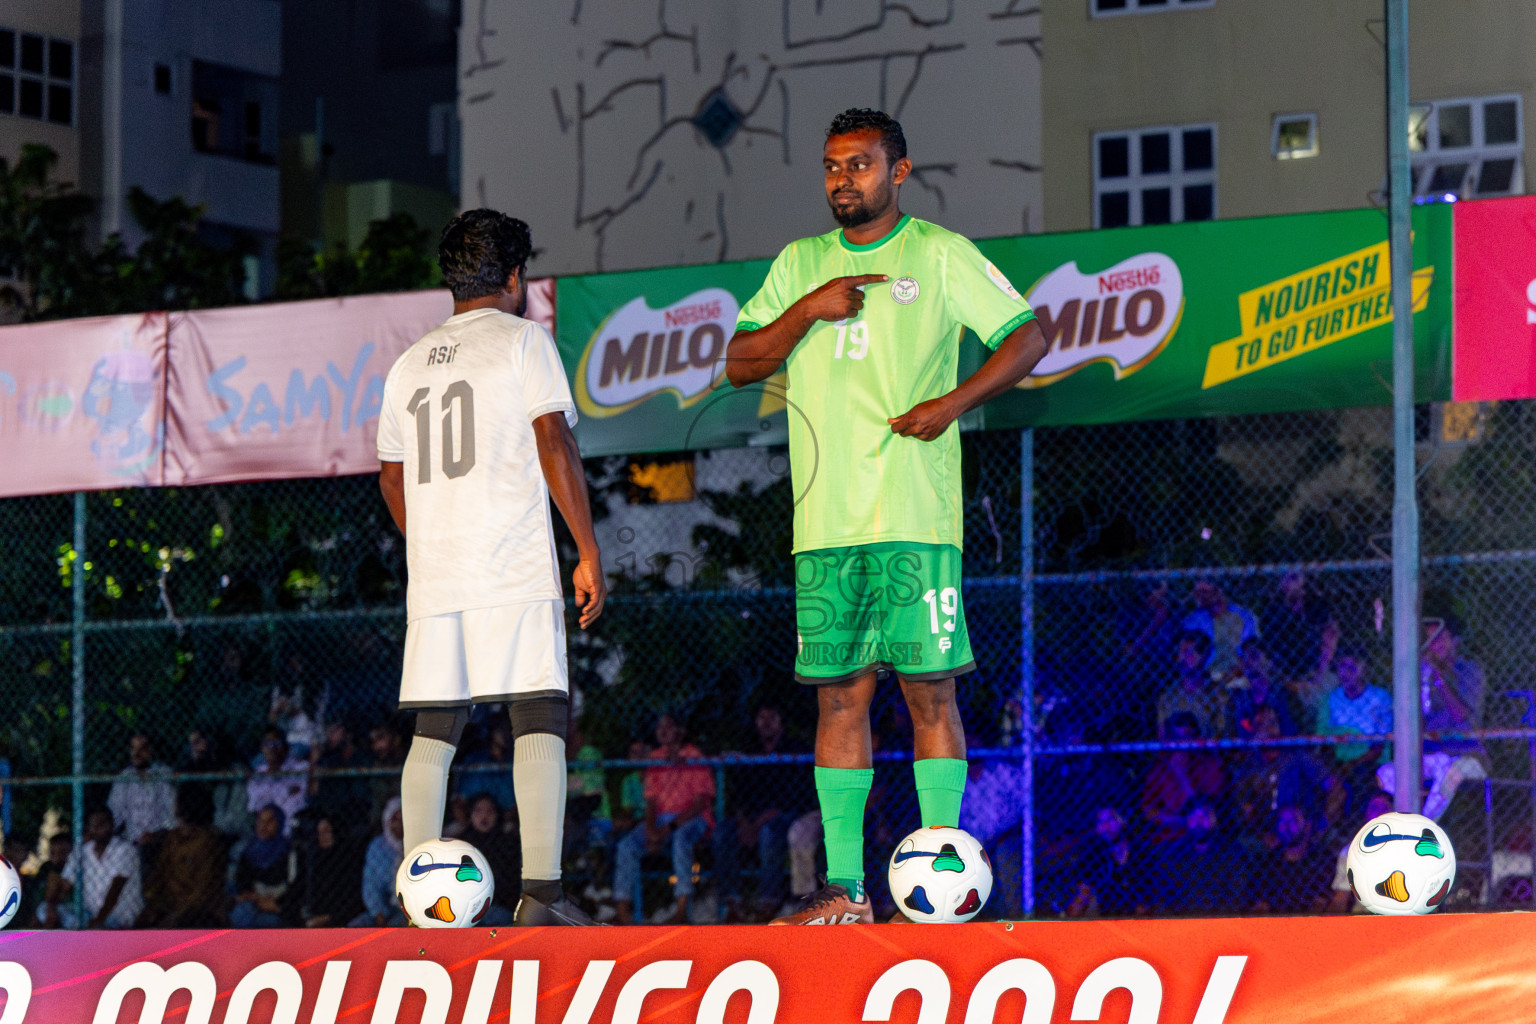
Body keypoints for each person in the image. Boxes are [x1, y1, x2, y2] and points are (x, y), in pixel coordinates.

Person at [725, 107, 1048, 926]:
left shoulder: (938, 254)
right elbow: (739, 362)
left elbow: (1029, 336)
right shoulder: (800, 264)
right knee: (839, 699)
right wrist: (809, 309)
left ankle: (941, 879)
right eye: (833, 166)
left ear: (897, 172)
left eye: (861, 165)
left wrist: (953, 401)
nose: (844, 179)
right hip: (825, 526)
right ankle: (846, 891)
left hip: (913, 516)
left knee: (928, 692)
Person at [377, 208, 607, 927]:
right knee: (538, 710)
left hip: (438, 574)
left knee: (435, 729)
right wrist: (587, 548)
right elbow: (553, 441)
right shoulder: (522, 342)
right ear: (515, 277)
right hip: (509, 562)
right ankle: (541, 894)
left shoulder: (408, 361)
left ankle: (419, 894)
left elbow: (390, 477)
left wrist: (436, 541)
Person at [1376, 615, 1488, 820]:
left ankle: (1421, 828)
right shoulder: (1419, 673)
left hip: (1466, 754)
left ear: (1454, 641)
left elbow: (1460, 714)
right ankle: (1398, 826)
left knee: (1449, 771)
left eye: (1438, 638)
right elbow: (1411, 718)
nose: (1431, 645)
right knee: (1386, 773)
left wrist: (1438, 677)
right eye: (1427, 640)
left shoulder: (1469, 671)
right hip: (1432, 754)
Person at [712, 702, 812, 921]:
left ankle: (768, 901)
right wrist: (744, 822)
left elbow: (793, 797)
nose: (766, 723)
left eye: (771, 718)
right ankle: (732, 902)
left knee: (769, 833)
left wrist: (756, 825)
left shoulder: (794, 748)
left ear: (780, 723)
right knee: (722, 833)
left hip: (783, 814)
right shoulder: (749, 749)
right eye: (761, 718)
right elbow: (738, 794)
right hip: (751, 817)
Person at [612, 714, 714, 925]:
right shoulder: (656, 757)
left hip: (691, 818)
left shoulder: (693, 756)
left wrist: (667, 829)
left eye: (669, 726)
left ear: (680, 731)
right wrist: (651, 830)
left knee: (681, 841)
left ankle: (682, 909)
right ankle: (622, 910)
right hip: (661, 818)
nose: (663, 731)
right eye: (659, 727)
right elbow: (651, 801)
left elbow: (700, 803)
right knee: (626, 845)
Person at [135, 784, 228, 928]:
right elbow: (159, 873)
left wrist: (177, 915)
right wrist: (152, 905)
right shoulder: (173, 837)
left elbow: (203, 891)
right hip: (169, 904)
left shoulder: (208, 842)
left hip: (197, 911)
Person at [39, 808, 142, 929]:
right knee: (43, 909)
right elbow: (65, 885)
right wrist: (51, 906)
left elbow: (115, 889)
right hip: (90, 916)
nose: (100, 829)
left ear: (113, 825)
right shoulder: (82, 851)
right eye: (95, 825)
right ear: (89, 829)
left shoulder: (125, 849)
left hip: (119, 917)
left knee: (100, 927)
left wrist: (98, 921)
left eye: (103, 824)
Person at [1318, 649, 1393, 815]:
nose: (1347, 672)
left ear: (1365, 668)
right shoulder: (1332, 698)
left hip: (1370, 761)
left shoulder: (1380, 697)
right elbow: (1323, 740)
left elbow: (1378, 747)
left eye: (1353, 666)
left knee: (1358, 777)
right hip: (1338, 760)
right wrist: (1336, 766)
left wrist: (1351, 765)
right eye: (1343, 666)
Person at [1140, 712, 1225, 844]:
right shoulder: (1159, 769)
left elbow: (1204, 809)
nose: (1181, 745)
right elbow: (1148, 810)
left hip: (1206, 838)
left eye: (1187, 738)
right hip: (1171, 840)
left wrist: (1181, 773)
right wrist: (1179, 820)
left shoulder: (1207, 765)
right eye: (1177, 740)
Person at [1149, 798, 1242, 915]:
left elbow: (1235, 896)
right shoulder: (1172, 855)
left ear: (1214, 820)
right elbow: (1164, 898)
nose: (1199, 822)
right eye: (1194, 817)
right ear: (1187, 820)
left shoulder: (1230, 852)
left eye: (1204, 817)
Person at [1249, 804, 1333, 914]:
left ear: (1307, 826)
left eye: (1293, 821)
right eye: (1282, 822)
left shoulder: (1322, 859)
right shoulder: (1266, 862)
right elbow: (1259, 905)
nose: (1286, 827)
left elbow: (1321, 903)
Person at [1065, 806, 1147, 918]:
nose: (1105, 826)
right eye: (1100, 822)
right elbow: (1083, 891)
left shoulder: (1139, 850)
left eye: (1110, 820)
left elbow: (1147, 891)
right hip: (1107, 911)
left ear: (1122, 821)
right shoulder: (1092, 853)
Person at [1262, 570, 1336, 684]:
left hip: (1313, 668)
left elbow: (1330, 636)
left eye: (1294, 577)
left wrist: (1320, 672)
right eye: (1285, 578)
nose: (1290, 583)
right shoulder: (1273, 610)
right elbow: (1268, 645)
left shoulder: (1316, 604)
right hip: (1282, 671)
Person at [456, 793, 519, 925]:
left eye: (490, 811)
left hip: (499, 907)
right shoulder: (460, 844)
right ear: (470, 814)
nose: (484, 816)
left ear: (497, 815)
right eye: (478, 811)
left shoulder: (508, 844)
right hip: (466, 909)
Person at [1155, 632, 1230, 740]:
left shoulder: (1218, 694)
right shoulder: (1167, 696)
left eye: (1188, 652)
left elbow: (1223, 733)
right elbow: (1162, 737)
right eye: (1180, 652)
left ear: (1204, 656)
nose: (1181, 658)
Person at [1328, 790, 1394, 913]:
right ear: (1366, 814)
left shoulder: (1407, 848)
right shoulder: (1351, 851)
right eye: (1374, 808)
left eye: (1384, 808)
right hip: (1364, 918)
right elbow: (1341, 897)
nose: (1379, 813)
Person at [230, 804, 294, 928]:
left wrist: (275, 903)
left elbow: (293, 884)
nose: (263, 826)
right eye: (260, 820)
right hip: (252, 904)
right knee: (242, 914)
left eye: (269, 821)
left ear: (279, 823)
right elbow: (241, 885)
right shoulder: (248, 851)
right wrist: (253, 897)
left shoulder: (289, 851)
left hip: (276, 906)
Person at [1181, 580, 1259, 680]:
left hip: (1239, 671)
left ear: (1218, 591)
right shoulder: (1195, 619)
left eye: (1205, 592)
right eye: (1197, 594)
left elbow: (1252, 647)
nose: (1200, 597)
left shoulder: (1243, 616)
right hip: (1204, 675)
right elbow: (1188, 650)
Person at [107, 733, 176, 845]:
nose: (137, 753)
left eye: (142, 748)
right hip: (132, 841)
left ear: (151, 750)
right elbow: (115, 814)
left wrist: (156, 835)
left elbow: (171, 814)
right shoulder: (124, 778)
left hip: (160, 840)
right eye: (133, 748)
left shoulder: (163, 775)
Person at [352, 797, 406, 927]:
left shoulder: (418, 845)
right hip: (382, 909)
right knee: (355, 927)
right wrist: (378, 912)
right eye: (395, 820)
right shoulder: (377, 847)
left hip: (406, 909)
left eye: (402, 820)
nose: (399, 824)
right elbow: (370, 884)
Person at [302, 814, 363, 927]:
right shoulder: (315, 860)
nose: (322, 837)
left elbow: (353, 902)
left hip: (345, 919)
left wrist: (327, 918)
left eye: (326, 831)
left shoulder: (349, 861)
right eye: (319, 833)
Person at [1230, 640, 1300, 738]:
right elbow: (1234, 732)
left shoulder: (1286, 695)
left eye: (1254, 656)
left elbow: (1292, 730)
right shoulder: (1237, 698)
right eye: (1244, 658)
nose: (1248, 662)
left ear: (1269, 662)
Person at [246, 728, 309, 836]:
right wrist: (285, 792)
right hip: (266, 831)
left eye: (278, 743)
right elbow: (254, 806)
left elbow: (299, 800)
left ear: (286, 747)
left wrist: (270, 796)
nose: (273, 748)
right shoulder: (258, 774)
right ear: (262, 749)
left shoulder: (300, 768)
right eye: (268, 744)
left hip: (292, 829)